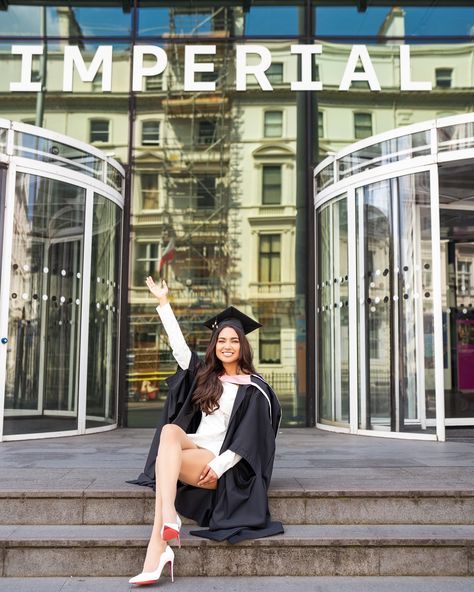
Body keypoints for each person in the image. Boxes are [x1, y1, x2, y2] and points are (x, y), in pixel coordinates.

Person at [128, 277, 283, 586]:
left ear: (242, 346)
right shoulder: (207, 377)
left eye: (234, 341)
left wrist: (218, 465)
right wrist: (163, 303)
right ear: (215, 344)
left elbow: (251, 441)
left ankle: (157, 549)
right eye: (222, 340)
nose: (227, 346)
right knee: (170, 431)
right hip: (196, 449)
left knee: (165, 461)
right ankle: (169, 518)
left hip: (226, 464)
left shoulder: (254, 388)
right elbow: (180, 351)